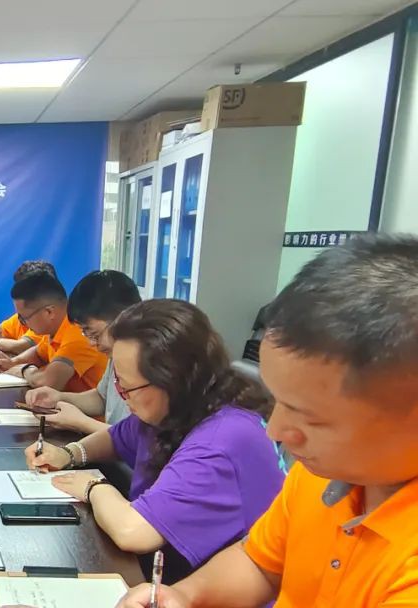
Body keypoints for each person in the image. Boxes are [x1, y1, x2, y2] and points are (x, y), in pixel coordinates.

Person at [118, 235, 418, 608]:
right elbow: (260, 563)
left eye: (311, 419)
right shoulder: (319, 476)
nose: (275, 430)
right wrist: (184, 595)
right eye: (279, 402)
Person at [25, 299, 285, 584]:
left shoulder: (220, 440)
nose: (121, 394)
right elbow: (117, 437)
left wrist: (92, 487)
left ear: (173, 379)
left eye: (128, 388)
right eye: (118, 383)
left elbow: (132, 531)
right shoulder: (176, 408)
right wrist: (70, 454)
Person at [23, 270, 142, 434]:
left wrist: (81, 423)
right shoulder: (116, 354)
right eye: (87, 334)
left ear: (124, 318)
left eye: (95, 334)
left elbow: (136, 440)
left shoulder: (152, 364)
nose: (92, 343)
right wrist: (59, 397)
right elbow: (101, 397)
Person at [0, 272, 109, 391]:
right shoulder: (56, 328)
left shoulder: (78, 334)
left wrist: (25, 370)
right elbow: (38, 354)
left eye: (24, 318)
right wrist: (12, 362)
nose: (23, 323)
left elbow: (48, 383)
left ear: (49, 312)